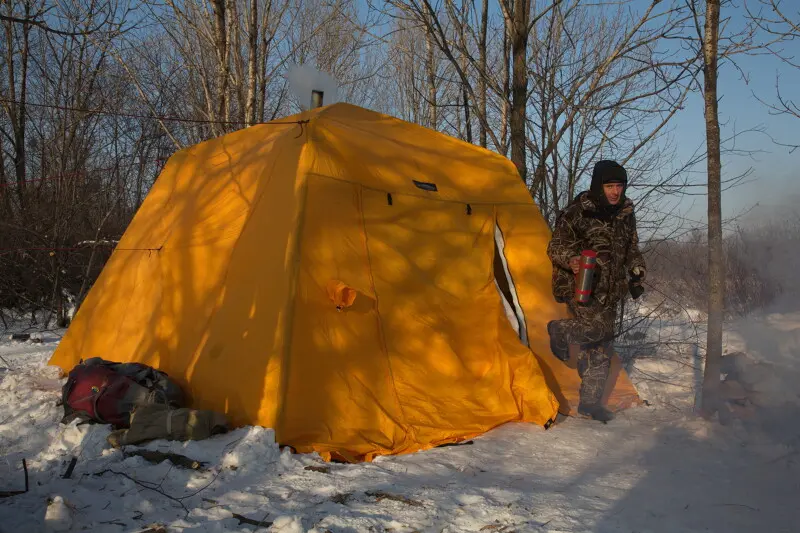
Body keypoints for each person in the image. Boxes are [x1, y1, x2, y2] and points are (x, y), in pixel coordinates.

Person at [546, 160, 646, 422]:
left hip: (611, 289)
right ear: (598, 186)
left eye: (620, 186)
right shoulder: (577, 212)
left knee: (600, 347)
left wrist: (636, 268)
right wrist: (571, 259)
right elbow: (555, 246)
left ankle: (590, 404)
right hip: (583, 286)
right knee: (597, 330)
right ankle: (559, 329)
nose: (615, 191)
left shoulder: (625, 213)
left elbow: (632, 248)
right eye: (610, 186)